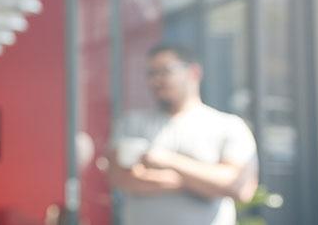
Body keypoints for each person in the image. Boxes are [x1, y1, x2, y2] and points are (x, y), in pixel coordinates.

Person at [107, 43, 258, 225]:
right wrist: (202, 183)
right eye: (151, 73)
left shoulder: (228, 126)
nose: (156, 80)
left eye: (165, 71)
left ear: (193, 72)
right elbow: (119, 177)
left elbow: (239, 187)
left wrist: (166, 161)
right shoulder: (131, 123)